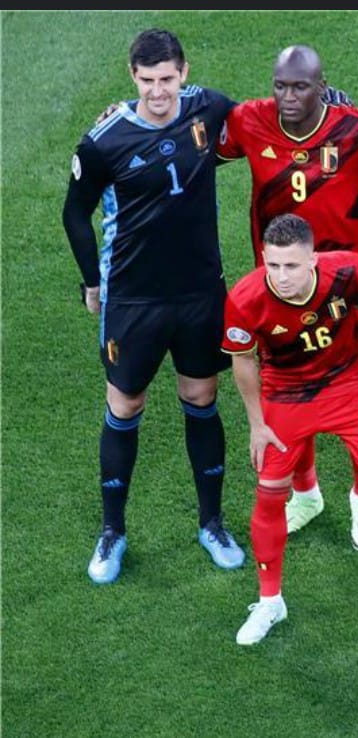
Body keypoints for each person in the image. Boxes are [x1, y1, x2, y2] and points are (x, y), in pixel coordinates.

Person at [63, 28, 244, 584]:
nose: (159, 91)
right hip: (133, 298)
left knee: (201, 397)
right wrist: (92, 283)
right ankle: (112, 532)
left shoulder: (209, 107)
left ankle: (212, 524)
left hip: (199, 291)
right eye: (147, 80)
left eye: (167, 78)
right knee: (125, 403)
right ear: (132, 76)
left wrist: (327, 100)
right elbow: (74, 214)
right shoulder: (103, 141)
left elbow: (266, 122)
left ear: (184, 72)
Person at [222, 214, 358, 644]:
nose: (282, 276)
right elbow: (242, 360)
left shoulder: (349, 270)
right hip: (286, 392)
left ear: (313, 259)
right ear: (263, 258)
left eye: (292, 266)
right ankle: (269, 602)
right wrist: (257, 424)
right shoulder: (245, 298)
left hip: (349, 385)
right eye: (273, 265)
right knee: (269, 495)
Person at [217, 45, 358, 550]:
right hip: (280, 291)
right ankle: (306, 493)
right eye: (280, 86)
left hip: (347, 292)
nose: (288, 97)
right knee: (289, 387)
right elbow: (193, 135)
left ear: (322, 86)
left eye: (300, 86)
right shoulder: (249, 121)